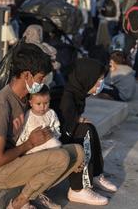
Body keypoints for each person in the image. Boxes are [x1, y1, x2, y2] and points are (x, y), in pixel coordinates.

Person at [0, 43, 84, 209]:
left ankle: (35, 190)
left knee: (78, 152)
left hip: (18, 159)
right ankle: (20, 202)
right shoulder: (1, 106)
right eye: (40, 78)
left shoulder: (25, 98)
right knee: (61, 158)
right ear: (27, 75)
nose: (42, 82)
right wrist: (30, 144)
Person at [58, 58, 118, 206]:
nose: (100, 84)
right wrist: (75, 121)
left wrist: (77, 119)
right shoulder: (68, 97)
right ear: (87, 78)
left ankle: (95, 174)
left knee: (89, 128)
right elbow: (65, 129)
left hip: (64, 133)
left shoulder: (78, 93)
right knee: (84, 132)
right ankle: (79, 189)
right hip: (55, 139)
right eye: (98, 80)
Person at [16, 84, 62, 154]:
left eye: (46, 103)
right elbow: (23, 131)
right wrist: (21, 144)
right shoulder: (28, 116)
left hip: (49, 142)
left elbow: (56, 127)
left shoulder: (51, 113)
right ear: (31, 103)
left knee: (57, 144)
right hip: (34, 146)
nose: (43, 107)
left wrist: (53, 134)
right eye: (38, 104)